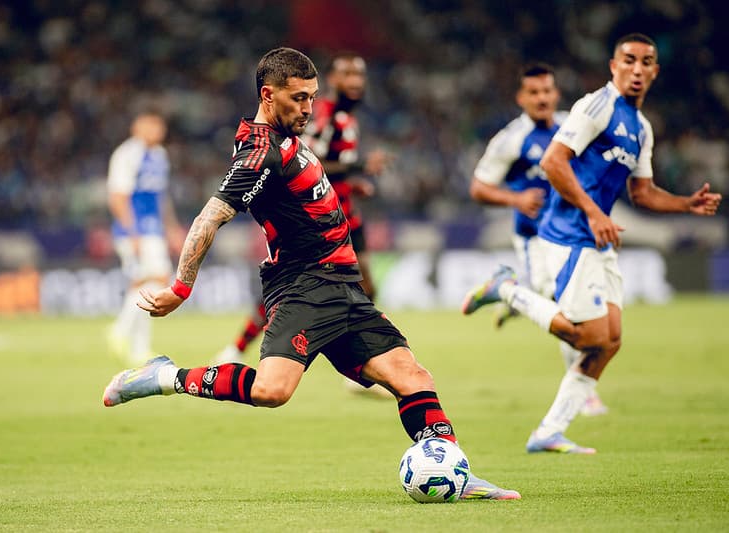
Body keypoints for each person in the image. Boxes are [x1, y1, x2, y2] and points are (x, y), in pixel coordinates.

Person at [103, 47, 519, 500]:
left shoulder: (286, 140)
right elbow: (208, 218)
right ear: (268, 94)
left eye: (312, 97)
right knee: (271, 390)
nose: (308, 108)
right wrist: (181, 288)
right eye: (299, 98)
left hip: (344, 288)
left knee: (414, 377)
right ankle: (166, 377)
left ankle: (454, 471)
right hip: (304, 287)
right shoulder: (259, 154)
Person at [462, 33, 722, 454]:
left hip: (597, 236)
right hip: (567, 233)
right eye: (629, 60)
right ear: (613, 66)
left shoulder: (641, 127)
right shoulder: (595, 106)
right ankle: (506, 289)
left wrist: (685, 204)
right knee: (588, 337)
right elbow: (553, 162)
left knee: (611, 339)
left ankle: (550, 431)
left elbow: (643, 193)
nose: (637, 69)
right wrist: (595, 211)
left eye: (646, 62)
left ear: (655, 70)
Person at [213, 54, 390, 399]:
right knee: (302, 289)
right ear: (333, 80)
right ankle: (237, 349)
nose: (355, 81)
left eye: (360, 74)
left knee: (364, 286)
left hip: (342, 210)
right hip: (312, 218)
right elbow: (306, 159)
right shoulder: (318, 115)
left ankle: (357, 369)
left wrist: (351, 183)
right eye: (347, 74)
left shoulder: (347, 118)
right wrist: (358, 166)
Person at [468, 63, 607, 416]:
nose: (542, 98)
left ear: (556, 93)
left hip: (573, 232)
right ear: (521, 98)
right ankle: (583, 391)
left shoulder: (572, 128)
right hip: (534, 236)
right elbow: (478, 187)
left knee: (569, 303)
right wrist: (515, 199)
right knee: (562, 305)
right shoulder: (511, 138)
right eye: (534, 92)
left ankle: (509, 292)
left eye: (547, 91)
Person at [106, 112, 182, 365]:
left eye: (160, 125)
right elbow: (117, 196)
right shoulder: (127, 154)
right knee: (154, 279)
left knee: (146, 283)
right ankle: (119, 331)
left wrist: (170, 228)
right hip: (135, 230)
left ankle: (139, 348)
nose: (157, 130)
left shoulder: (160, 155)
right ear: (137, 126)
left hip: (153, 230)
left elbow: (161, 197)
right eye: (152, 124)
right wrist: (132, 232)